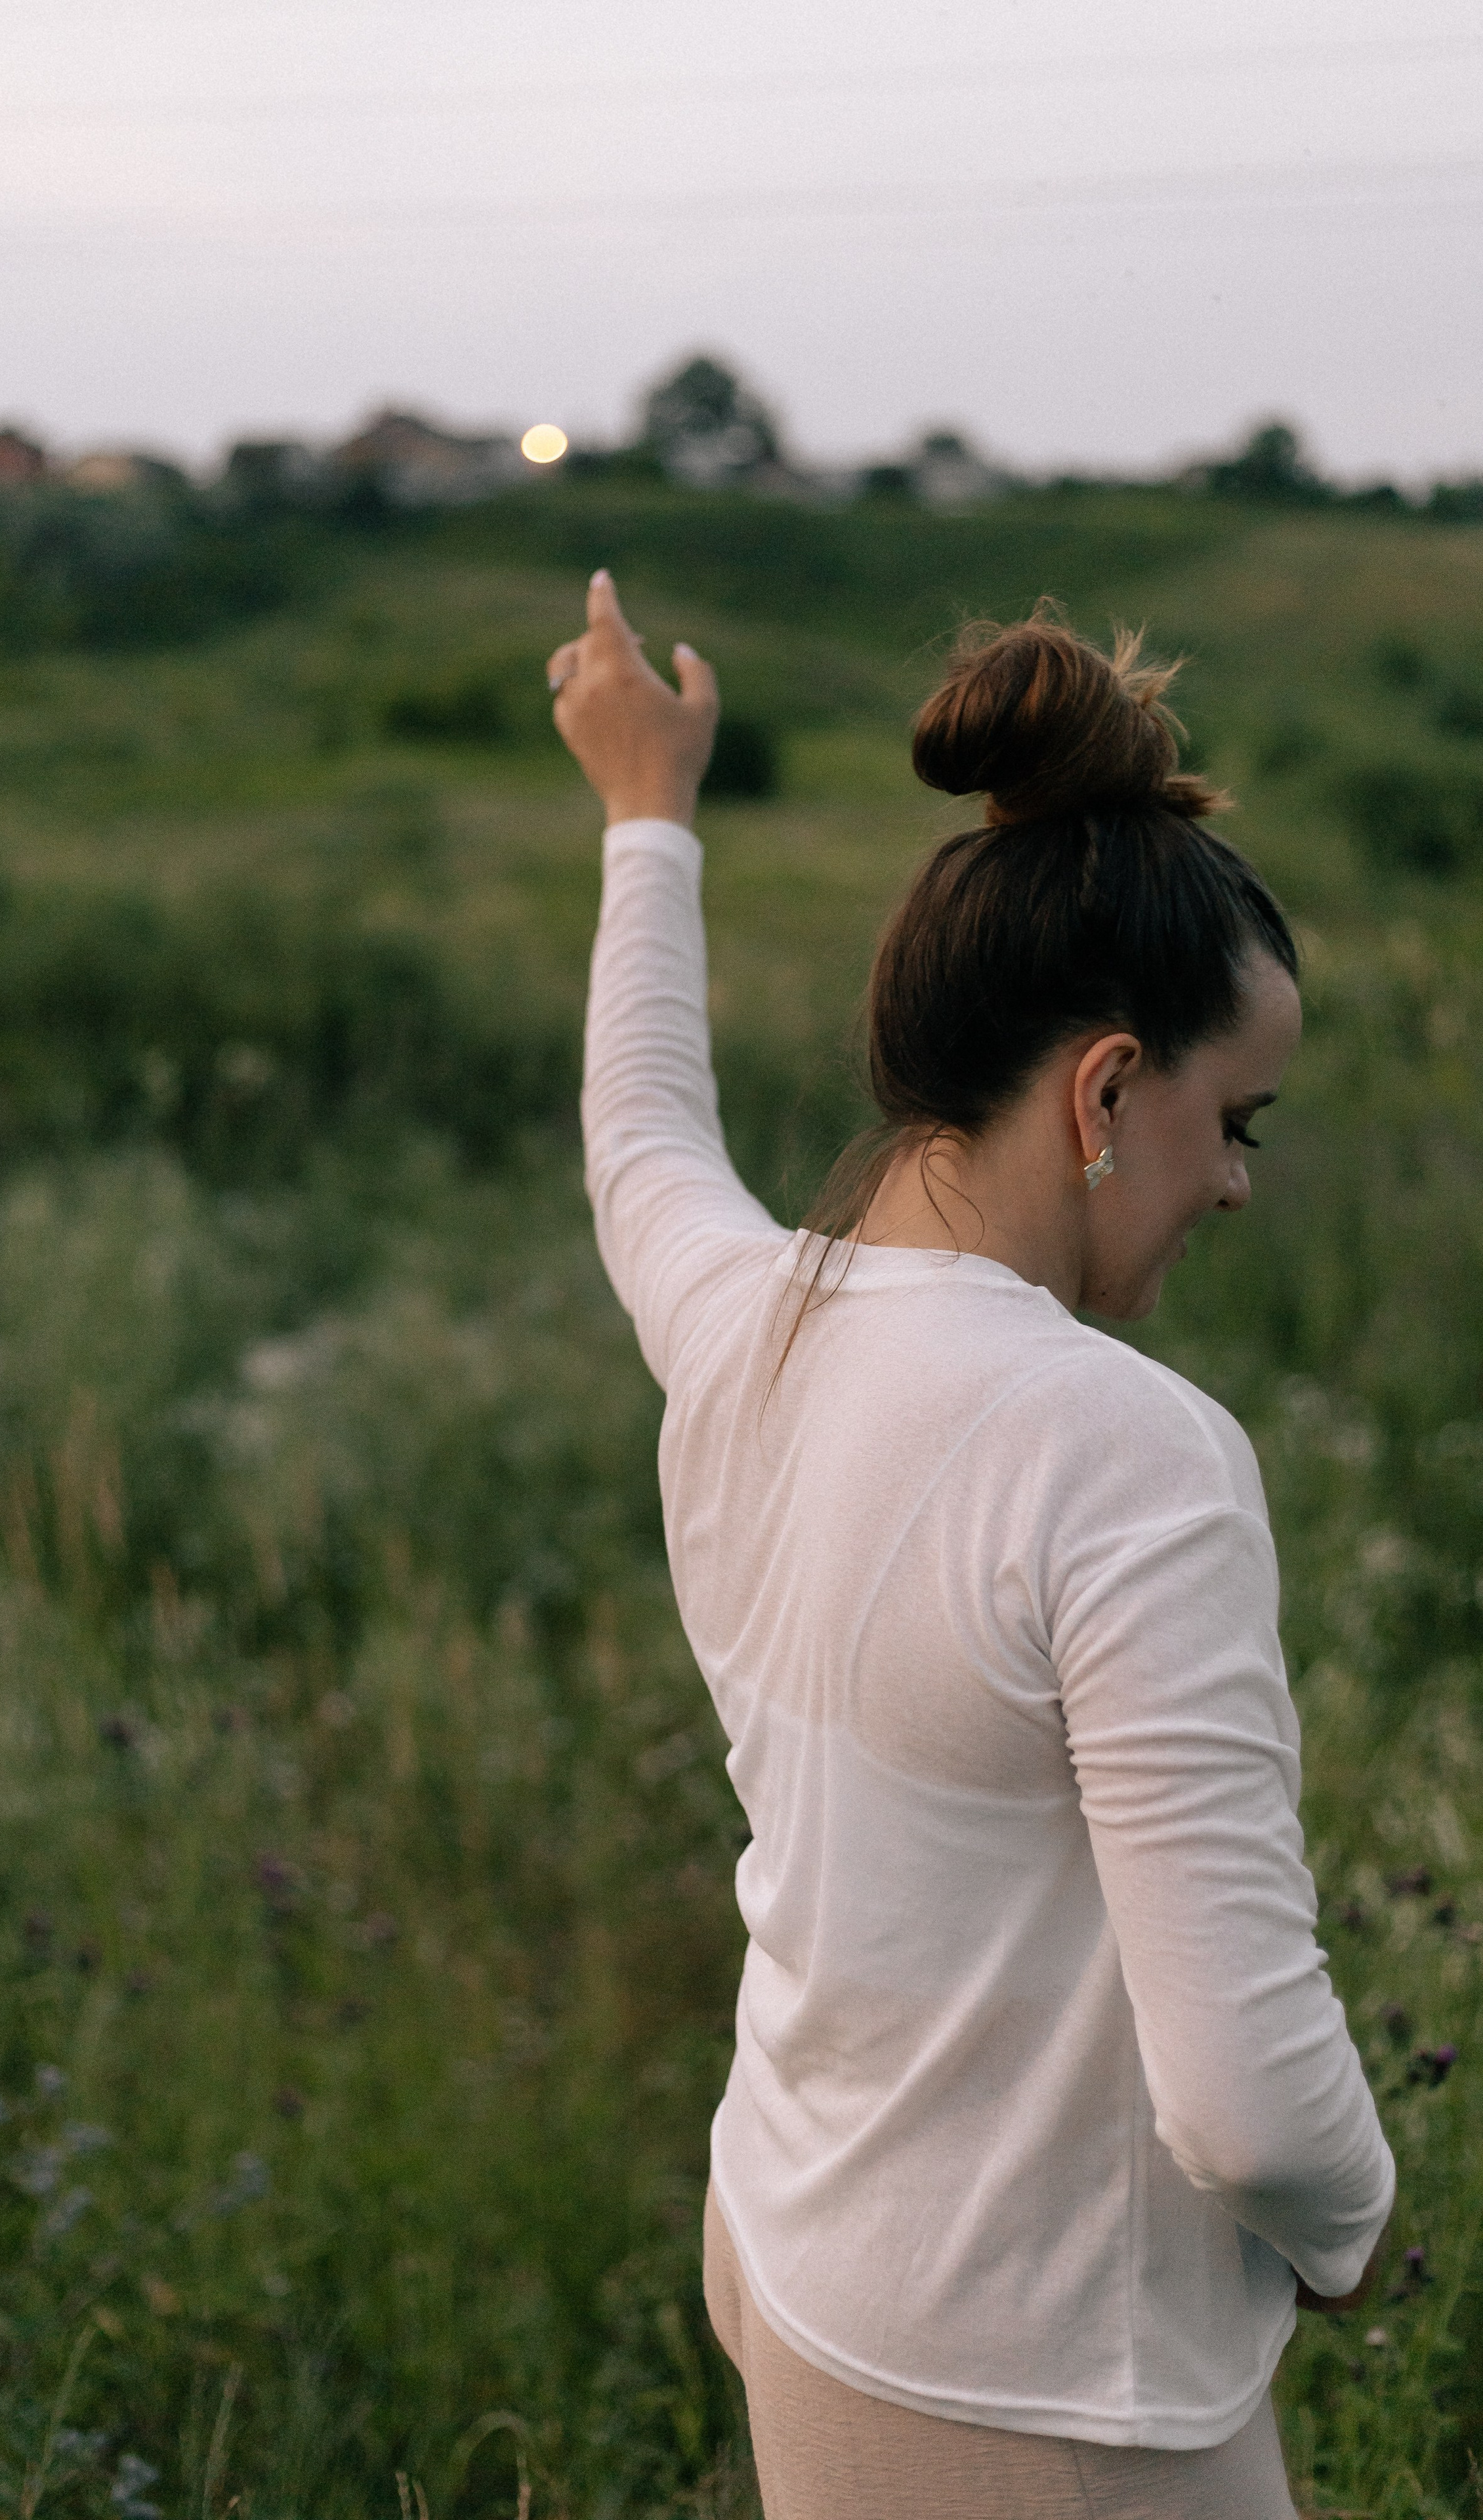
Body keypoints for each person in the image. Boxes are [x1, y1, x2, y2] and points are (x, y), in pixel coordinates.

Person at [548, 572, 1394, 2520]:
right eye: (1236, 1119)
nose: (1242, 1183)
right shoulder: (1130, 1454)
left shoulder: (740, 1320)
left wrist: (645, 818)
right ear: (1108, 1089)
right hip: (1048, 2392)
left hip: (793, 2253)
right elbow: (1252, 2107)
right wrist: (1355, 2223)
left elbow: (643, 1136)